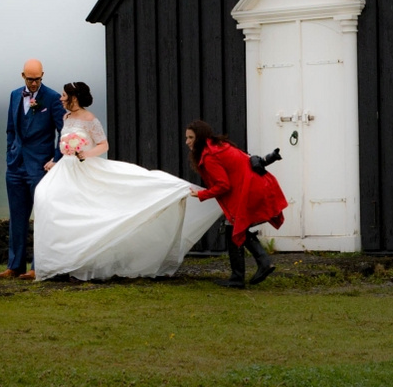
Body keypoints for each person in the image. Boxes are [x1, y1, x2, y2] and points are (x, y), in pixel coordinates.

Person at [31, 82, 221, 281]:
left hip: (84, 166)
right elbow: (63, 144)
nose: (61, 99)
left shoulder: (90, 119)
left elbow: (104, 144)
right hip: (65, 170)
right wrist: (56, 160)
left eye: (64, 95)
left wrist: (85, 153)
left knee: (89, 211)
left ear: (74, 98)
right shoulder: (66, 117)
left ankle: (86, 261)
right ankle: (62, 261)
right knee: (48, 199)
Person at [187, 120, 286, 288]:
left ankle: (245, 274)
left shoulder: (209, 156)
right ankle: (251, 270)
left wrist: (201, 194)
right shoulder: (218, 146)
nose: (187, 142)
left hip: (250, 189)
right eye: (187, 137)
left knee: (235, 228)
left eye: (191, 137)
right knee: (234, 228)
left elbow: (223, 185)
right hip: (257, 185)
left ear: (201, 137)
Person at [0, 58, 64, 280]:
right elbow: (10, 129)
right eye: (30, 79)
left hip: (40, 167)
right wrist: (10, 154)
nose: (34, 84)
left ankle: (38, 267)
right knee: (17, 217)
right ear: (22, 76)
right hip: (15, 166)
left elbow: (64, 133)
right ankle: (14, 266)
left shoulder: (53, 98)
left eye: (37, 79)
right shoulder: (15, 95)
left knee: (42, 218)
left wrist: (55, 159)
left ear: (42, 75)